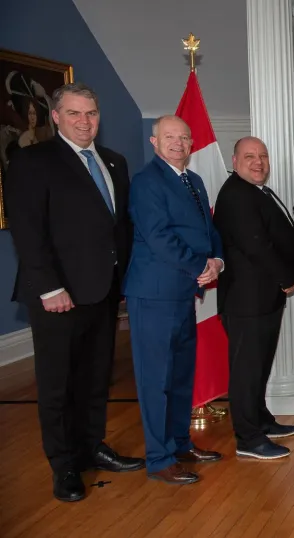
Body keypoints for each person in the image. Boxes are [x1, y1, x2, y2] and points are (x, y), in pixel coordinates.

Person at [5, 82, 144, 502]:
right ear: (56, 117)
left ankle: (91, 446)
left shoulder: (115, 163)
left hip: (103, 291)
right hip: (58, 295)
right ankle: (63, 465)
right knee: (58, 383)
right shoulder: (32, 160)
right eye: (75, 114)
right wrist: (49, 287)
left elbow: (119, 229)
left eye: (91, 114)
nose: (85, 122)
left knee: (95, 376)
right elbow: (28, 231)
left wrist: (123, 281)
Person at [124, 115, 225, 485]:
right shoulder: (146, 182)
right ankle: (159, 458)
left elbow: (208, 229)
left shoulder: (194, 180)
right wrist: (200, 264)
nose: (178, 143)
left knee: (182, 376)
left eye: (184, 137)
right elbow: (158, 236)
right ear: (154, 142)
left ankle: (181, 444)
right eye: (169, 137)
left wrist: (217, 260)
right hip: (154, 294)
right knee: (156, 379)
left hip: (185, 292)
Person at [213, 137, 294, 459]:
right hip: (246, 300)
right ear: (235, 160)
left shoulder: (256, 191)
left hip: (264, 298)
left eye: (263, 156)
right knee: (247, 370)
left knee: (260, 365)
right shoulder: (237, 195)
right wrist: (287, 277)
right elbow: (256, 245)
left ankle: (260, 419)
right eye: (250, 156)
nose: (258, 162)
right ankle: (248, 438)